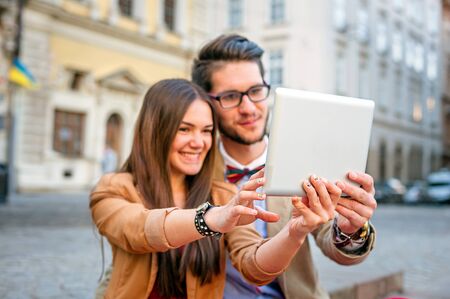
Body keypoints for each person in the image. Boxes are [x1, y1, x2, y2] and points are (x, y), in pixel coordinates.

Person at [90, 78, 343, 299]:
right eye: (184, 129)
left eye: (207, 131)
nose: (198, 142)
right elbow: (140, 230)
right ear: (155, 131)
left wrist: (294, 232)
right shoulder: (114, 188)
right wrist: (212, 219)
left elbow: (254, 265)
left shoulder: (222, 194)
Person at [190, 34, 377, 299]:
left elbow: (336, 247)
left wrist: (349, 230)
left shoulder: (305, 157)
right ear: (208, 103)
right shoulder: (193, 166)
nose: (249, 108)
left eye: (256, 91)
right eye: (231, 96)